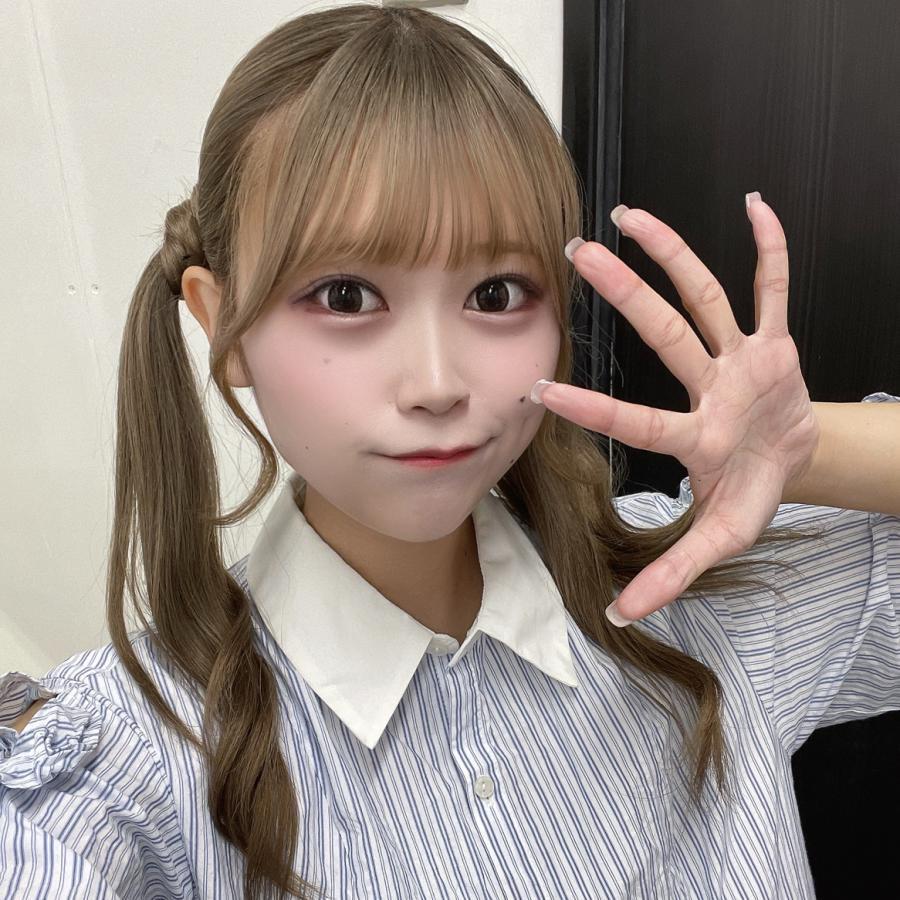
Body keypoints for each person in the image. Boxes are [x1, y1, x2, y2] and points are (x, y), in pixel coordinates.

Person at [1, 4, 897, 898]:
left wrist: (806, 454)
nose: (436, 383)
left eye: (496, 293)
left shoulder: (697, 593)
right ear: (221, 322)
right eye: (346, 296)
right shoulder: (128, 762)